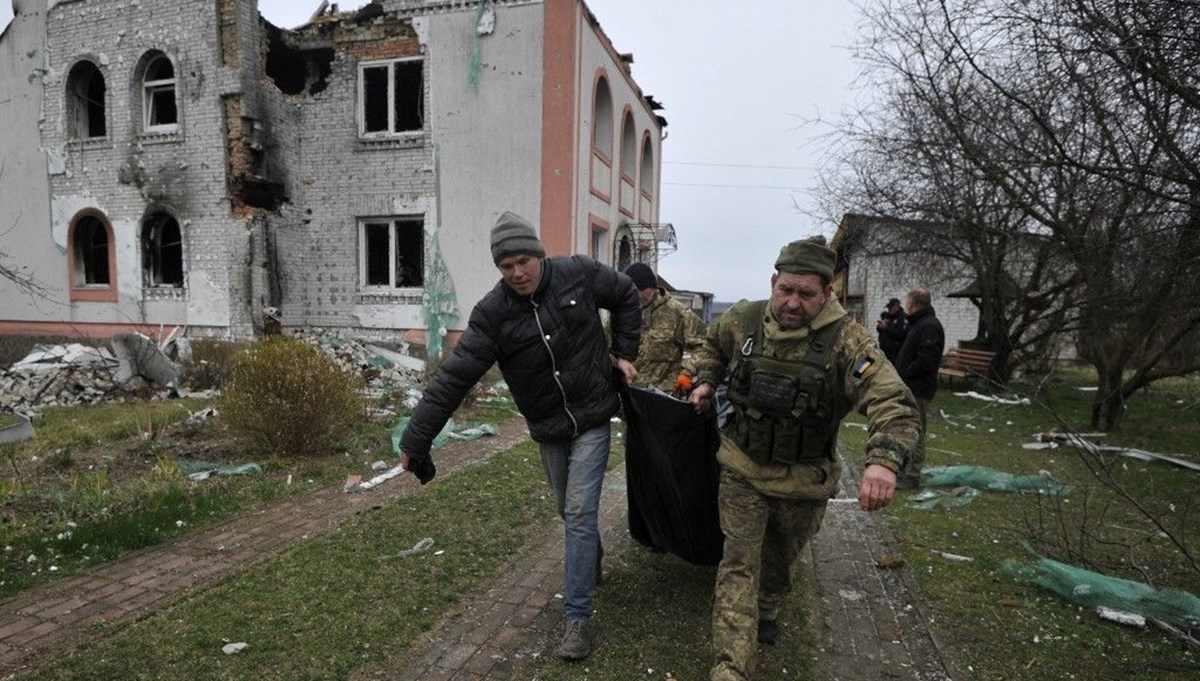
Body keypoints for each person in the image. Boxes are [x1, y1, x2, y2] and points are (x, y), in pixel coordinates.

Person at [398, 211, 641, 661]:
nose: (516, 273)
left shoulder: (577, 274)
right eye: (506, 266)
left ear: (539, 254)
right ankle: (590, 562)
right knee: (571, 514)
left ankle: (577, 619)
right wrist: (416, 440)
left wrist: (623, 352)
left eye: (523, 261)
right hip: (549, 425)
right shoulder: (492, 314)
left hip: (591, 413)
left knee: (579, 511)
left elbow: (626, 294)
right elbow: (454, 378)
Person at [687, 236, 921, 681]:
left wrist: (883, 460)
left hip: (803, 482)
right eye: (786, 290)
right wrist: (703, 379)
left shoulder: (846, 342)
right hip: (741, 468)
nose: (793, 303)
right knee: (739, 564)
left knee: (777, 562)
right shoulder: (743, 320)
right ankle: (729, 669)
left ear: (826, 293)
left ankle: (770, 603)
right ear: (773, 282)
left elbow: (893, 400)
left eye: (806, 294)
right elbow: (710, 347)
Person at [622, 261, 707, 394]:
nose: (638, 295)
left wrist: (687, 372)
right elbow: (601, 342)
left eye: (642, 290)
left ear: (653, 287)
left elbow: (704, 346)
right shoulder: (623, 311)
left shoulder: (677, 312)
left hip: (663, 394)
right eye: (634, 291)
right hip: (628, 393)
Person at [892, 287, 946, 490]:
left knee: (916, 430)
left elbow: (926, 361)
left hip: (918, 388)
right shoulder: (918, 324)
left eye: (908, 302)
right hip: (910, 386)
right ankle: (904, 469)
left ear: (913, 304)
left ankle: (912, 474)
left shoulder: (929, 326)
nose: (906, 306)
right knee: (906, 428)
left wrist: (904, 373)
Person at [875, 297, 908, 363]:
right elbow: (881, 330)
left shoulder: (903, 318)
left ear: (896, 307)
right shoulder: (889, 317)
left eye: (890, 308)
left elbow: (900, 333)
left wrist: (886, 327)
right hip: (885, 352)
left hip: (896, 353)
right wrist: (880, 326)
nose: (889, 310)